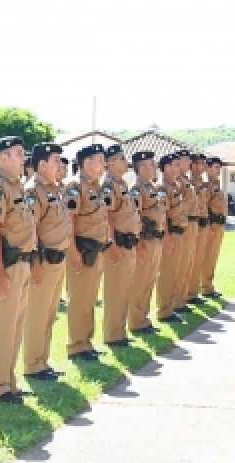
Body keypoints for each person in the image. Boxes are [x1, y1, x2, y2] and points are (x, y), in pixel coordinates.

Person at [0, 136, 37, 402]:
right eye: (18, 153)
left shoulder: (18, 187)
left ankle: (9, 380)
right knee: (2, 327)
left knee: (15, 326)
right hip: (7, 266)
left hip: (22, 262)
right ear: (3, 159)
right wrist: (0, 272)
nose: (23, 157)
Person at [22, 143, 70, 380]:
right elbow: (32, 231)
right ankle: (32, 364)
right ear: (41, 164)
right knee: (37, 315)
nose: (60, 165)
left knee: (49, 314)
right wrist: (36, 263)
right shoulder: (33, 191)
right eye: (56, 161)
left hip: (58, 259)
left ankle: (42, 361)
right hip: (43, 261)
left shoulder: (54, 189)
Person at [64, 144, 110, 361]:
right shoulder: (75, 187)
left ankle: (86, 342)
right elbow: (69, 222)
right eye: (100, 160)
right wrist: (74, 254)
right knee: (80, 300)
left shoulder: (95, 187)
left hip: (95, 251)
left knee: (89, 299)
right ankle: (76, 345)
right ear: (87, 162)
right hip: (82, 251)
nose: (104, 164)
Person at [101, 144, 141, 347]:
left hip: (128, 243)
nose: (126, 162)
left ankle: (120, 331)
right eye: (122, 158)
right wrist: (113, 244)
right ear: (110, 162)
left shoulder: (122, 183)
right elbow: (107, 216)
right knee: (116, 290)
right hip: (118, 244)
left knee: (124, 289)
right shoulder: (108, 184)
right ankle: (113, 334)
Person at [128, 151, 167, 334]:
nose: (155, 167)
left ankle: (143, 318)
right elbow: (136, 217)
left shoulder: (151, 187)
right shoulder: (137, 189)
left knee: (150, 280)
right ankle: (136, 321)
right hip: (146, 240)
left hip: (156, 239)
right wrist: (140, 243)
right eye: (151, 164)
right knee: (140, 282)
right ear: (141, 168)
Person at [156, 153, 187, 323]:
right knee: (167, 273)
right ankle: (164, 310)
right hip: (171, 234)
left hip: (178, 233)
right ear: (166, 167)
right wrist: (167, 236)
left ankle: (170, 306)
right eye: (175, 165)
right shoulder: (163, 187)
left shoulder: (174, 186)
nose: (179, 168)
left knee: (174, 271)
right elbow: (163, 214)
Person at [173, 150, 197, 315]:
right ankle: (176, 301)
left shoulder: (185, 180)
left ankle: (182, 297)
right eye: (186, 159)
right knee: (179, 266)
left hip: (191, 223)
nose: (189, 162)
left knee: (188, 264)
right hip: (183, 225)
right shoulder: (176, 183)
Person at [185, 153, 210, 305]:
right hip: (189, 224)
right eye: (200, 163)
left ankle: (193, 292)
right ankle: (187, 293)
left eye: (204, 163)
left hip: (201, 223)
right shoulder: (188, 182)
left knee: (197, 259)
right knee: (189, 261)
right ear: (193, 165)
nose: (203, 166)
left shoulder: (202, 182)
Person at [201, 156, 227, 299]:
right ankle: (205, 287)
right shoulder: (207, 186)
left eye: (219, 167)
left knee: (213, 257)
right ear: (208, 168)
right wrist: (209, 227)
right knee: (209, 257)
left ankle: (208, 286)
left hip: (219, 225)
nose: (219, 170)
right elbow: (205, 207)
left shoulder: (216, 185)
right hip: (212, 225)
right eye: (216, 167)